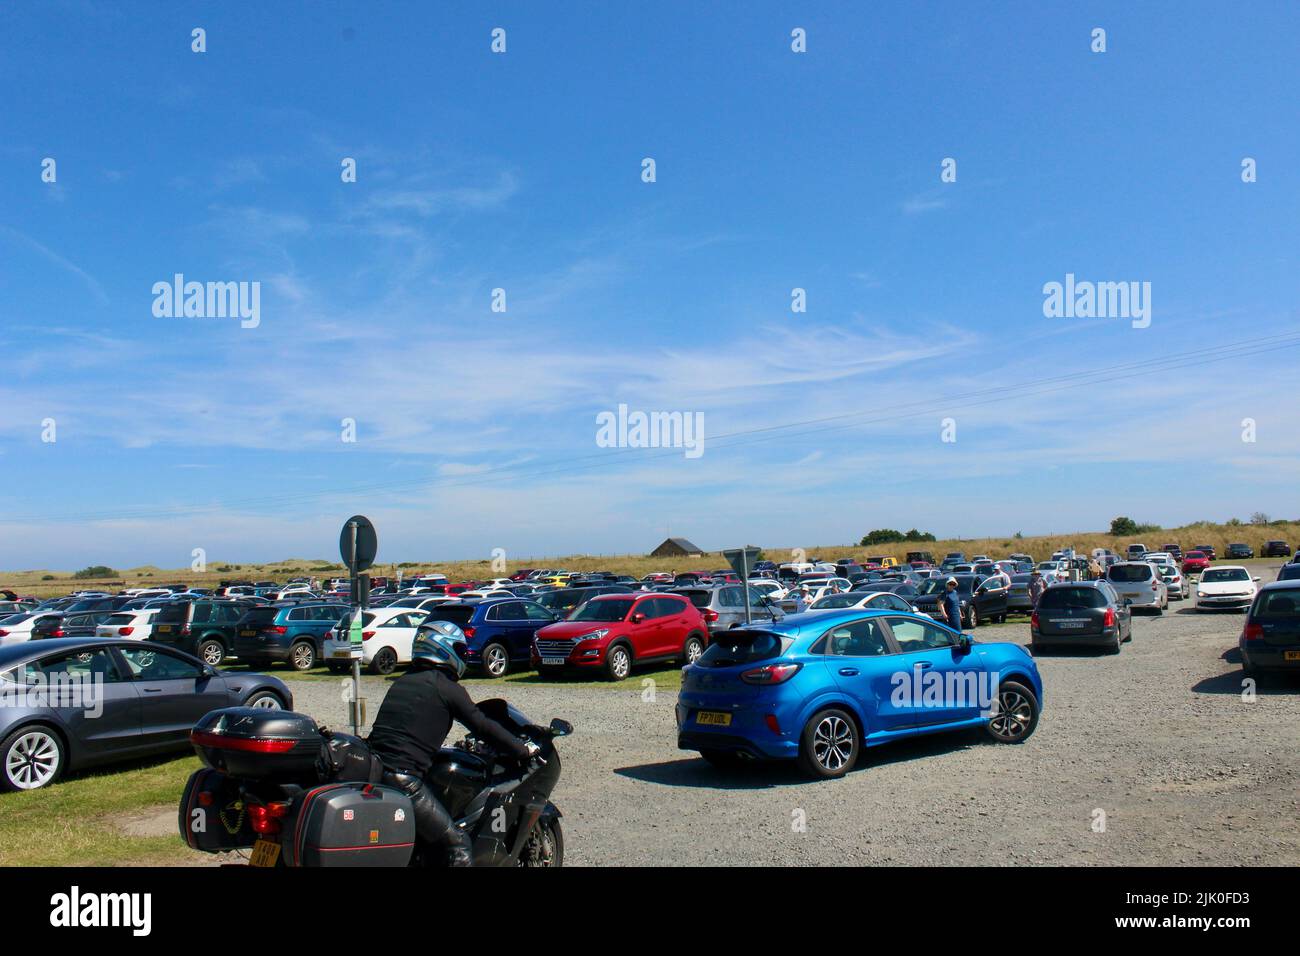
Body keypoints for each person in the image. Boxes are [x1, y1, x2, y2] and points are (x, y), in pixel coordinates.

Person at [366, 623, 539, 866]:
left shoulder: (404, 681)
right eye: (460, 648)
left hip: (376, 771)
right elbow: (482, 725)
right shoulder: (446, 687)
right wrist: (521, 749)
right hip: (404, 780)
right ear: (445, 648)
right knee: (457, 845)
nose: (463, 655)